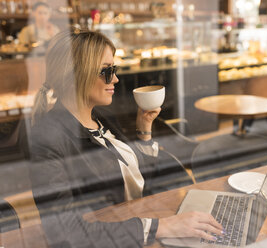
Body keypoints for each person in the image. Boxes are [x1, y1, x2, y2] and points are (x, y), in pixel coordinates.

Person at [29, 29, 223, 248]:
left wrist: (144, 133)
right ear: (76, 75)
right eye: (107, 71)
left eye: (114, 69)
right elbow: (65, 231)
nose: (116, 78)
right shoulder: (48, 137)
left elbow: (138, 179)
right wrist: (162, 228)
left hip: (139, 226)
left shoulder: (101, 117)